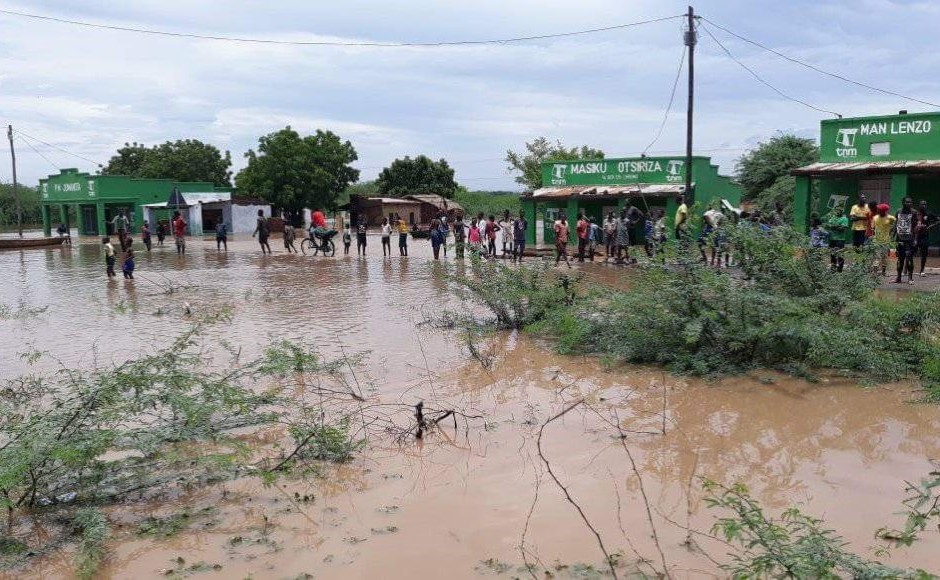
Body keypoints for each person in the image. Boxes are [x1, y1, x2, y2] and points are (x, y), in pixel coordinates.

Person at [895, 197, 916, 285]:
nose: (909, 204)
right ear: (903, 202)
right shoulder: (898, 211)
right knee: (900, 259)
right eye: (907, 202)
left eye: (910, 202)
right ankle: (898, 277)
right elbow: (896, 224)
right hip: (899, 239)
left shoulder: (914, 212)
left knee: (909, 257)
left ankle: (910, 278)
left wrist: (915, 239)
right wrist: (893, 237)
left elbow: (916, 227)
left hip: (909, 239)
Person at [871, 203, 895, 276]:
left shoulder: (891, 218)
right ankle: (875, 271)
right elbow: (873, 228)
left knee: (884, 256)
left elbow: (894, 226)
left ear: (884, 211)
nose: (877, 210)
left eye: (879, 209)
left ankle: (883, 271)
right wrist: (872, 237)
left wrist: (890, 232)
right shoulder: (875, 218)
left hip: (886, 240)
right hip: (876, 240)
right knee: (876, 256)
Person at [826, 207, 849, 273]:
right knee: (832, 254)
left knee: (840, 254)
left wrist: (833, 226)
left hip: (840, 239)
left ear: (842, 211)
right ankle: (833, 269)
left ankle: (840, 269)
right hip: (832, 239)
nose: (838, 212)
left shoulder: (844, 219)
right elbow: (828, 226)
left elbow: (842, 229)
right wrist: (838, 226)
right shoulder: (832, 217)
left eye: (840, 210)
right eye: (837, 210)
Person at [916, 200, 935, 277]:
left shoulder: (929, 213)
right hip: (915, 236)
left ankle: (922, 271)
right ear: (919, 205)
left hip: (924, 237)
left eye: (925, 204)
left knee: (924, 254)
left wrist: (931, 226)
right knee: (910, 253)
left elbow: (938, 220)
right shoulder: (916, 213)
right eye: (922, 204)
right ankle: (906, 270)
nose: (923, 205)